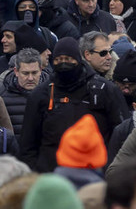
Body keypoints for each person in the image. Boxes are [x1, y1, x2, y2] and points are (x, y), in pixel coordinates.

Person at [20, 37, 128, 171]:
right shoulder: (40, 95)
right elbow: (28, 144)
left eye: (68, 59)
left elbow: (121, 134)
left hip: (95, 175)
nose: (63, 64)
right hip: (52, 175)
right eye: (58, 60)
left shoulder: (104, 90)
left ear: (78, 60)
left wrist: (109, 170)